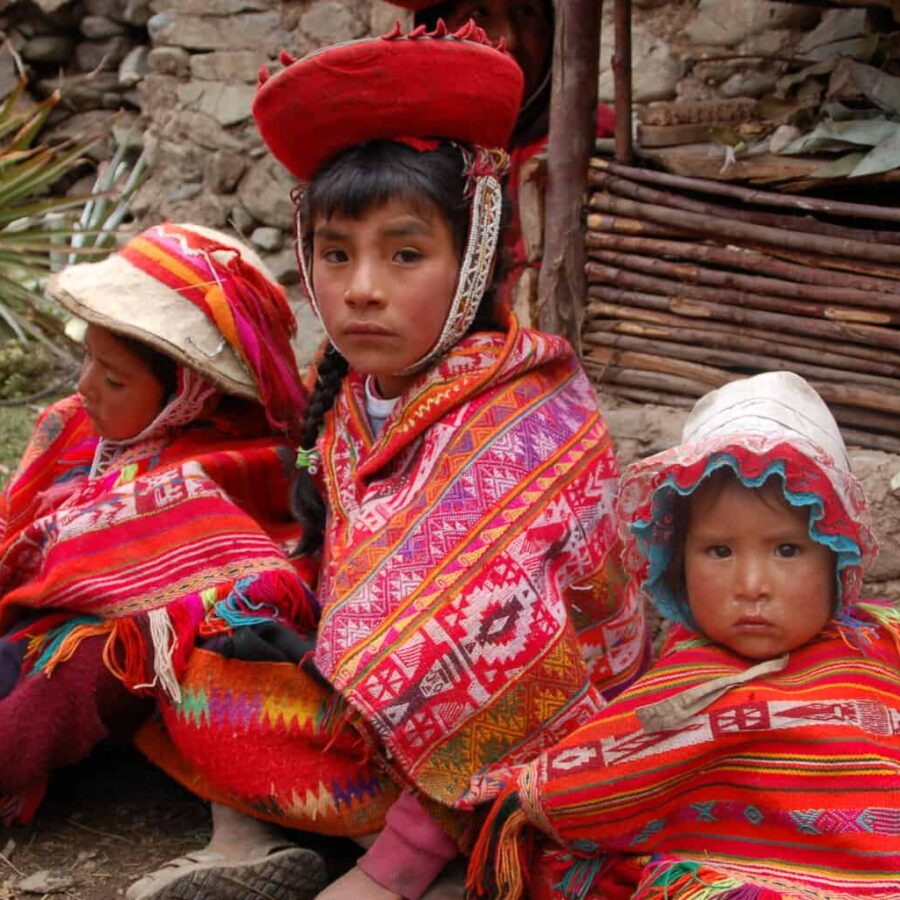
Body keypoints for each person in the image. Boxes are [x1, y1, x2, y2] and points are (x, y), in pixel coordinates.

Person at [127, 23, 648, 900]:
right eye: (337, 254)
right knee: (192, 656)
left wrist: (386, 873)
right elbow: (348, 579)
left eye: (404, 254)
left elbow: (521, 662)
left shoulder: (533, 413)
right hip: (382, 727)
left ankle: (420, 857)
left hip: (539, 742)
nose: (361, 287)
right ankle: (247, 841)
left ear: (474, 257)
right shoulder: (353, 408)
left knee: (468, 749)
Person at [468, 370, 900, 899]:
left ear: (837, 555)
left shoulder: (880, 648)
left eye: (787, 550)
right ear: (677, 562)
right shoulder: (679, 688)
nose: (751, 586)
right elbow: (605, 775)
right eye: (719, 551)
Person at [0, 222, 316, 856]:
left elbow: (252, 584)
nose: (86, 385)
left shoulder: (242, 468)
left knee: (79, 667)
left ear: (189, 397)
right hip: (40, 620)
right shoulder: (74, 429)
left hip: (119, 656)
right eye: (86, 357)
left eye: (113, 379)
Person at [385, 0, 616, 306]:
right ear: (434, 32)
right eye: (478, 13)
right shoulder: (401, 146)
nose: (509, 38)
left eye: (526, 11)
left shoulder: (587, 140)